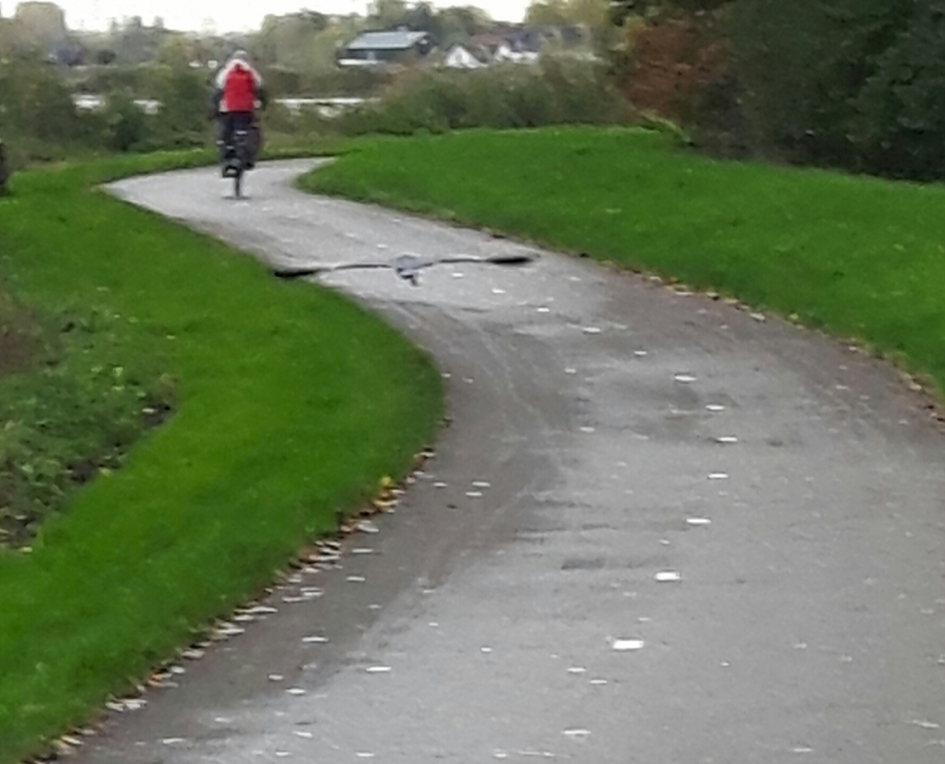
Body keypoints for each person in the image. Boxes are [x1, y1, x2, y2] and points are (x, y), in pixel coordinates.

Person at [211, 51, 267, 173]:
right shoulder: (252, 72)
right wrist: (262, 105)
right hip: (247, 108)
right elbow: (261, 91)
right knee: (250, 129)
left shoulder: (225, 72)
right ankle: (248, 157)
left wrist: (215, 110)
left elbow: (217, 93)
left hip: (227, 109)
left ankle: (227, 158)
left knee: (225, 133)